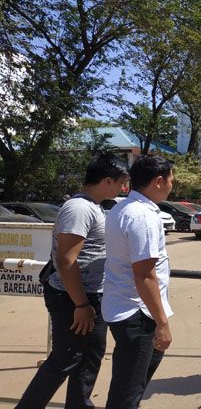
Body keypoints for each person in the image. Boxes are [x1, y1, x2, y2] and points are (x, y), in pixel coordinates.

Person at [16, 154, 128, 409]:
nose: (124, 188)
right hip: (72, 298)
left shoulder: (95, 206)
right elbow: (66, 260)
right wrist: (81, 305)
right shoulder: (79, 209)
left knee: (90, 357)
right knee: (65, 359)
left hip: (91, 297)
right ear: (108, 181)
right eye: (122, 182)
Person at [102, 155, 175, 409]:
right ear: (158, 181)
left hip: (127, 308)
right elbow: (144, 274)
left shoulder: (122, 208)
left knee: (131, 385)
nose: (171, 185)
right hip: (138, 313)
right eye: (171, 179)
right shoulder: (142, 216)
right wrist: (162, 323)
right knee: (128, 392)